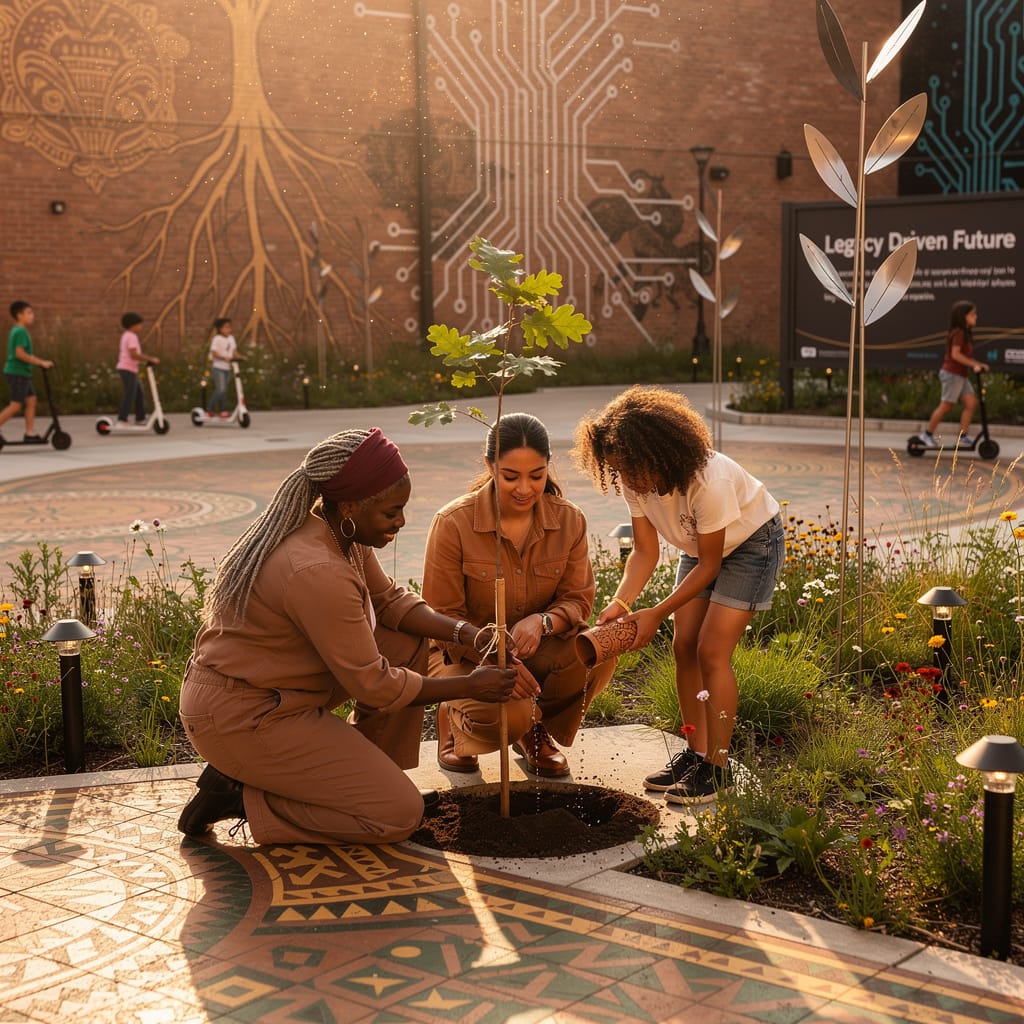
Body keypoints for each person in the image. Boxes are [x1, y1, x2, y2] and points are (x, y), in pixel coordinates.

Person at [176, 428, 526, 843]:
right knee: (398, 816)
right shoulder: (317, 569)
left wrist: (468, 634)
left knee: (406, 642)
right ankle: (242, 797)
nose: (401, 521)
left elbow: (391, 603)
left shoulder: (342, 534)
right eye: (391, 512)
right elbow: (374, 685)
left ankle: (363, 778)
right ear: (352, 505)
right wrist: (466, 686)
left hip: (280, 692)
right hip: (244, 716)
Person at [571, 386, 784, 804]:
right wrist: (624, 603)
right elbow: (645, 551)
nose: (625, 479)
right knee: (683, 645)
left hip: (751, 544)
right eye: (616, 469)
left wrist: (655, 612)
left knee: (710, 652)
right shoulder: (634, 477)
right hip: (701, 547)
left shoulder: (708, 480)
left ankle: (718, 768)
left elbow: (711, 565)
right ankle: (696, 752)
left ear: (659, 453)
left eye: (630, 469)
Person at [421, 413, 615, 778]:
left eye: (537, 475)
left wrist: (543, 622)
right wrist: (498, 657)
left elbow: (578, 600)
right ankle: (454, 718)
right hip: (465, 658)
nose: (525, 488)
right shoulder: (453, 523)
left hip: (538, 651)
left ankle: (533, 729)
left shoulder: (570, 520)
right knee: (509, 715)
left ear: (548, 468)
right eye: (511, 476)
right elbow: (442, 617)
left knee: (599, 652)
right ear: (490, 466)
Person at [917, 300, 988, 449]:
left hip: (961, 375)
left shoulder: (964, 333)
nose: (976, 317)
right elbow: (955, 355)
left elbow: (964, 356)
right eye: (973, 314)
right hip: (952, 374)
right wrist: (974, 364)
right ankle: (927, 435)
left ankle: (963, 437)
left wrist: (978, 364)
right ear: (963, 316)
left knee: (971, 403)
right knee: (946, 406)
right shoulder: (959, 333)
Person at [1, 301, 53, 443]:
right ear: (19, 315)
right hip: (17, 373)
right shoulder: (20, 332)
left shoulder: (18, 330)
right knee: (16, 405)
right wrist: (41, 362)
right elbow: (20, 354)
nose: (32, 316)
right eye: (29, 313)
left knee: (31, 400)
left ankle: (29, 433)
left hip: (23, 373)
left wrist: (39, 362)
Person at [116, 312, 160, 426]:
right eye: (139, 325)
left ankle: (140, 418)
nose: (141, 327)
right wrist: (150, 359)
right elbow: (133, 354)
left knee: (139, 394)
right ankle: (122, 419)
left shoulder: (126, 335)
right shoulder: (131, 336)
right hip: (127, 369)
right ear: (133, 325)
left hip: (129, 369)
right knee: (130, 394)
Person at [206, 317, 242, 417]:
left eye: (230, 327)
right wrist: (223, 358)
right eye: (226, 327)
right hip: (218, 368)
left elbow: (234, 352)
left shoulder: (231, 338)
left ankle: (223, 410)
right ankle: (210, 408)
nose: (229, 329)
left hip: (228, 368)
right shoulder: (217, 339)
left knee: (224, 390)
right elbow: (214, 353)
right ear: (220, 329)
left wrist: (240, 357)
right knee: (221, 389)